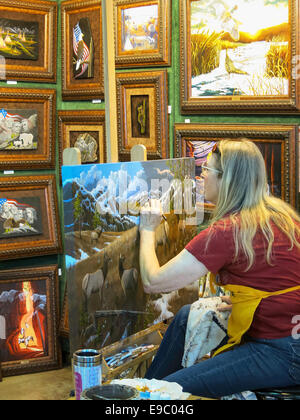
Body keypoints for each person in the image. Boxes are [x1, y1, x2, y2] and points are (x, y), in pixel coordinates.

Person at [139, 139, 300, 399]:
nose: (201, 176)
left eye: (206, 170)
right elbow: (281, 278)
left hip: (284, 353)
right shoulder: (282, 215)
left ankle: (143, 395)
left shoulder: (228, 231)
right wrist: (249, 299)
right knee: (185, 315)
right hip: (291, 338)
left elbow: (153, 281)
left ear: (228, 180)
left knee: (165, 392)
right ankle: (138, 390)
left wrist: (148, 228)